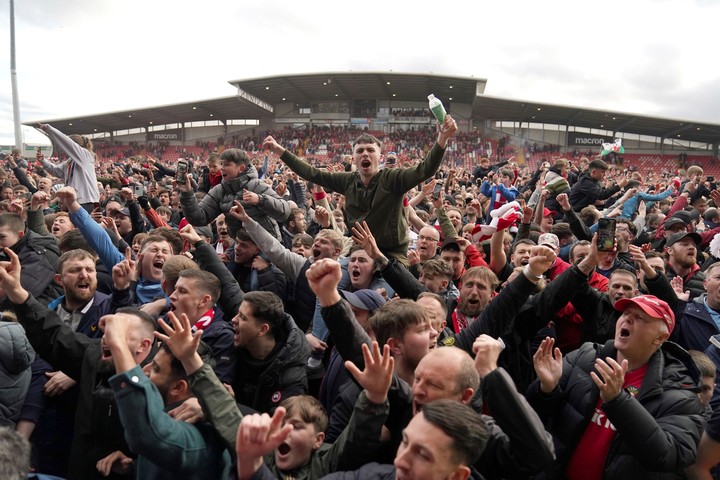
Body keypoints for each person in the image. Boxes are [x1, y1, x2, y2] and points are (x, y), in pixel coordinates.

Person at [0, 247, 152, 480]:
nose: (107, 338)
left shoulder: (159, 377)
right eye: (106, 330)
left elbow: (172, 437)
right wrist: (17, 291)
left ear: (143, 346)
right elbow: (54, 335)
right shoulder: (94, 356)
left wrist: (137, 459)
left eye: (119, 334)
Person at [529, 295, 705, 478]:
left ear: (660, 337)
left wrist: (618, 402)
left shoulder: (679, 391)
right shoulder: (585, 357)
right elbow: (536, 414)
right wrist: (546, 389)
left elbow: (670, 456)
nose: (627, 318)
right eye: (626, 313)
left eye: (640, 318)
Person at [262, 115, 458, 262]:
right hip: (358, 253)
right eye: (360, 151)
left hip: (392, 255)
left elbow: (426, 169)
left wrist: (442, 139)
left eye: (371, 150)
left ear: (380, 157)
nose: (365, 154)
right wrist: (280, 151)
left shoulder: (393, 178)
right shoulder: (347, 181)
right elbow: (313, 173)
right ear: (353, 158)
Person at [103, 312, 230, 480]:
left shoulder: (198, 434)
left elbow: (148, 434)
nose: (145, 370)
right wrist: (135, 466)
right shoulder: (171, 415)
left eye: (155, 368)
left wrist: (119, 345)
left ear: (178, 387)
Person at [235, 399, 489, 480]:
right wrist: (250, 460)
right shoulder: (371, 475)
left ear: (457, 476)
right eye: (405, 442)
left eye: (423, 454)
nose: (401, 460)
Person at [179, 148, 291, 239]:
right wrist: (187, 193)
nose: (221, 168)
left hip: (267, 247)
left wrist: (260, 200)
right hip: (240, 244)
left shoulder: (257, 186)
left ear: (241, 168)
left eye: (226, 165)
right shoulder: (219, 191)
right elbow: (199, 218)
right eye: (221, 164)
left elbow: (285, 211)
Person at [35, 123, 100, 211]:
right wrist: (43, 160)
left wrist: (49, 129)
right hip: (72, 200)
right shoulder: (70, 161)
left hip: (85, 201)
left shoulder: (85, 156)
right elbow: (56, 171)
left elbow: (67, 143)